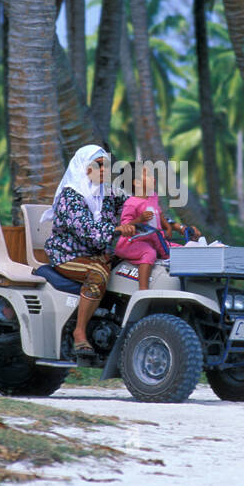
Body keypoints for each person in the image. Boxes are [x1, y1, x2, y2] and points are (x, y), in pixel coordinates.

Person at [43, 144, 148, 358]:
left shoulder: (108, 193)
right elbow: (88, 231)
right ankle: (80, 332)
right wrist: (118, 228)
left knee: (131, 267)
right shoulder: (70, 197)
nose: (104, 170)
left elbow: (132, 207)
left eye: (106, 166)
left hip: (99, 254)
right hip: (68, 255)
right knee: (98, 274)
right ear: (84, 167)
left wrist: (170, 224)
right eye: (98, 165)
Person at [114, 160, 198, 290]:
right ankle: (143, 289)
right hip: (133, 242)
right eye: (147, 175)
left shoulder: (153, 196)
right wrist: (139, 220)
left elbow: (159, 214)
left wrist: (169, 227)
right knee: (149, 253)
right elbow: (125, 225)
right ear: (136, 183)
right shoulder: (132, 203)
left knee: (180, 250)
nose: (153, 178)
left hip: (156, 240)